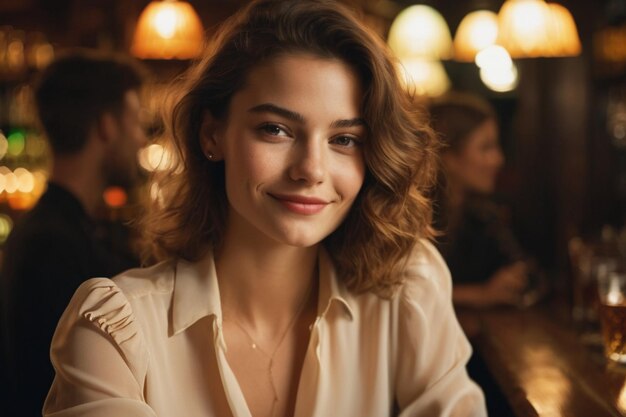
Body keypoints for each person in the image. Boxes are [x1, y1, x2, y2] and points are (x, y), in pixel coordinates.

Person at [43, 1, 487, 416]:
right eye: (275, 129)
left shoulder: (407, 293)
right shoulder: (114, 334)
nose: (311, 170)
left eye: (344, 139)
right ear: (211, 134)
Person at [0, 49, 147, 416]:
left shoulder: (51, 229)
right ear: (106, 127)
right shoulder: (53, 244)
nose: (142, 139)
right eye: (136, 122)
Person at [429, 92, 530, 310]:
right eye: (486, 148)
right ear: (448, 156)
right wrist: (479, 295)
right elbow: (397, 292)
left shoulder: (482, 215)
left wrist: (515, 278)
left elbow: (525, 271)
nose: (499, 159)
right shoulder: (411, 216)